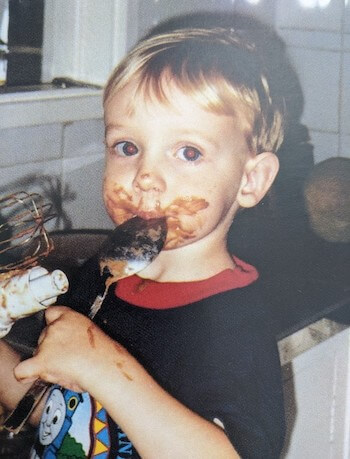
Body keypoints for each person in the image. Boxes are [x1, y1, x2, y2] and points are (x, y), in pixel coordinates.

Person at [0, 26, 286, 458]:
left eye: (188, 152)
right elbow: (50, 407)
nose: (145, 175)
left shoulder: (235, 322)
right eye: (128, 146)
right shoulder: (99, 279)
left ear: (251, 180)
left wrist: (103, 368)